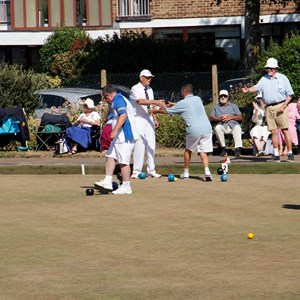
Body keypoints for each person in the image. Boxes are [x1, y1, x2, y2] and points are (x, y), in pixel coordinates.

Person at [150, 84, 213, 181]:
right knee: (203, 152)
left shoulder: (182, 103)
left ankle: (186, 173)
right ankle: (207, 172)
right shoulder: (198, 99)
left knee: (188, 150)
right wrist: (174, 104)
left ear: (183, 92)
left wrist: (156, 111)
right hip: (207, 129)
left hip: (194, 130)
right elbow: (187, 106)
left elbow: (167, 111)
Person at [241, 57, 295, 162]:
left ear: (276, 68)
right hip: (269, 107)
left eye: (271, 68)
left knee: (285, 130)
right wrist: (247, 90)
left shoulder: (283, 78)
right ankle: (275, 154)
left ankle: (290, 153)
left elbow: (290, 94)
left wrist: (284, 106)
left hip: (281, 106)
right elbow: (256, 87)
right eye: (267, 68)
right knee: (273, 132)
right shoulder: (264, 79)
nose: (269, 70)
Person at [94, 84, 139, 195]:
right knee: (110, 156)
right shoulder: (117, 100)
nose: (106, 101)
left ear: (108, 95)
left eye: (105, 98)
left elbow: (123, 116)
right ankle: (108, 181)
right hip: (120, 136)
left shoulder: (118, 99)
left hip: (125, 136)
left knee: (123, 162)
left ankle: (126, 186)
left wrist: (114, 131)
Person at [130, 69, 166, 179]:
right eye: (148, 77)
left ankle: (152, 170)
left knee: (151, 144)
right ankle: (136, 171)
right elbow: (140, 101)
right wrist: (156, 101)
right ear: (141, 78)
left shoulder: (150, 89)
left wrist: (154, 118)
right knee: (139, 145)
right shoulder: (134, 89)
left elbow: (150, 107)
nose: (150, 79)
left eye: (151, 77)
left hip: (149, 118)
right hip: (138, 119)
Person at [210, 90, 243, 157]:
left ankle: (238, 149)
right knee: (217, 128)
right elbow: (211, 118)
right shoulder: (215, 107)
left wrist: (230, 118)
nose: (223, 97)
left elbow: (240, 117)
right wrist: (220, 118)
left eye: (225, 96)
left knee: (237, 127)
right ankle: (223, 148)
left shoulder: (233, 106)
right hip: (222, 125)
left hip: (233, 125)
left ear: (227, 97)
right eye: (221, 96)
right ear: (219, 97)